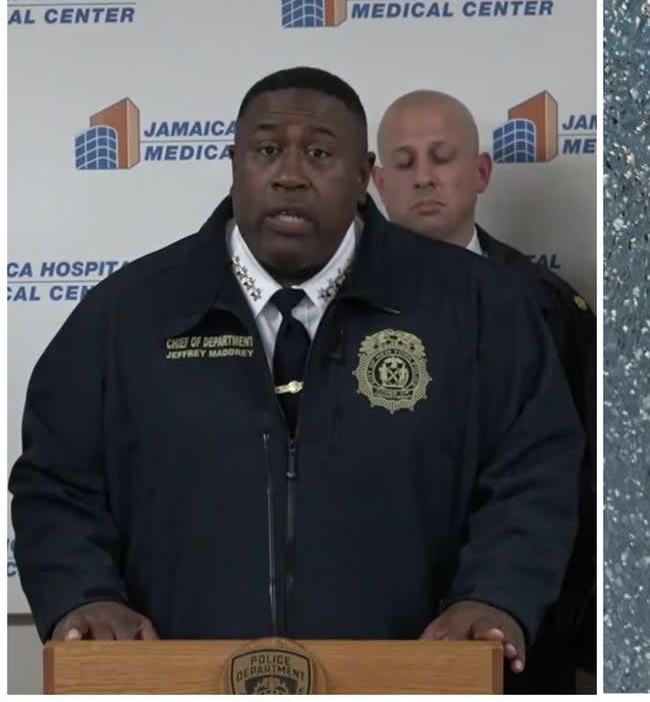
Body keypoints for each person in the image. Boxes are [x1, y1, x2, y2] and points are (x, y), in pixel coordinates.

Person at [9, 68, 583, 678]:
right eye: (265, 150)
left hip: (412, 682)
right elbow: (57, 481)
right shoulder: (126, 315)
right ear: (233, 163)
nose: (288, 174)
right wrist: (85, 594)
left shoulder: (479, 308)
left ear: (364, 176)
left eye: (317, 152)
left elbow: (535, 470)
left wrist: (495, 595)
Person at [372, 90, 596, 693]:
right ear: (377, 180)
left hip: (521, 637)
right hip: (373, 642)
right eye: (404, 160)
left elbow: (584, 479)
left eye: (441, 157)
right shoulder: (327, 306)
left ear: (480, 172)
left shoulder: (550, 308)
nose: (423, 176)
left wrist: (561, 620)